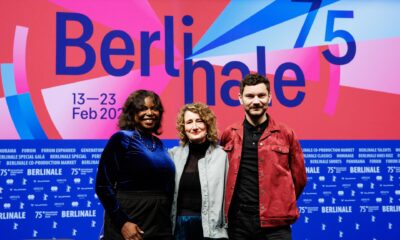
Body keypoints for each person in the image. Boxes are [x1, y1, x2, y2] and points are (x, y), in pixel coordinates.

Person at [220, 73, 307, 240]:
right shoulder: (229, 134)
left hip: (276, 225)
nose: (256, 101)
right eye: (250, 96)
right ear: (240, 98)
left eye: (261, 95)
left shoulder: (286, 134)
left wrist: (280, 202)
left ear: (270, 97)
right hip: (238, 222)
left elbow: (299, 179)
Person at [95, 90, 175, 240]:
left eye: (154, 108)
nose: (150, 113)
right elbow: (103, 186)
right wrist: (123, 222)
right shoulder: (122, 139)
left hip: (160, 224)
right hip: (131, 220)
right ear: (132, 113)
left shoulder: (159, 144)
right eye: (143, 108)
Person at [168, 103, 228, 240]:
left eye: (199, 121)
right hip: (180, 229)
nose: (194, 127)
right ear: (184, 128)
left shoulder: (222, 156)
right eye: (189, 122)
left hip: (212, 231)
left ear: (208, 125)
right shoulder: (173, 155)